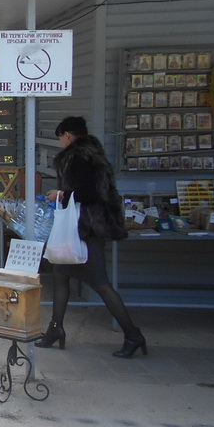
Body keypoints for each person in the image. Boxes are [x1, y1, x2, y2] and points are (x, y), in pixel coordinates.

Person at [37, 116, 147, 358]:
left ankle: (133, 335)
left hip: (86, 229)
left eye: (60, 137)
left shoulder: (76, 158)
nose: (61, 142)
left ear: (67, 135)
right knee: (60, 274)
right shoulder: (95, 154)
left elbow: (88, 194)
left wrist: (60, 195)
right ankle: (55, 329)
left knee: (100, 284)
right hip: (89, 226)